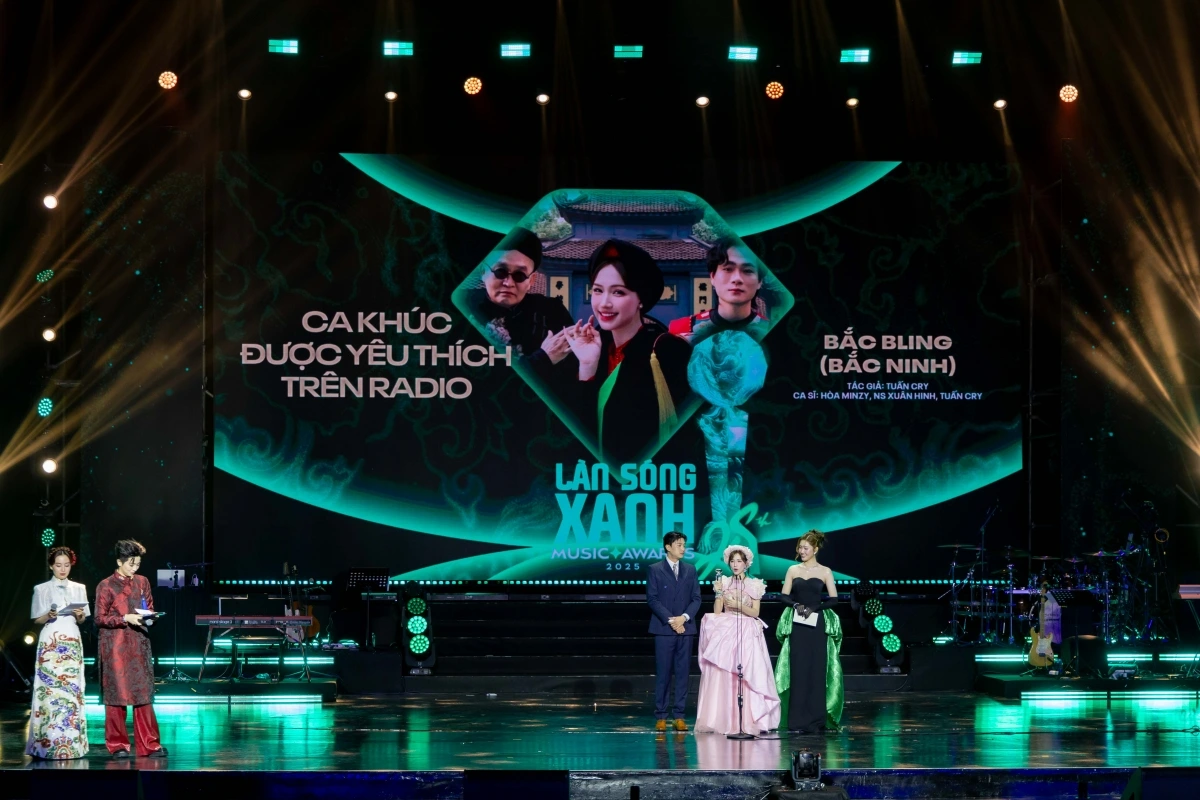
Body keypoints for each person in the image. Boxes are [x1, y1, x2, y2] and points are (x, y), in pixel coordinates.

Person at [563, 239, 694, 465]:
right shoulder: (587, 350)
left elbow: (689, 435)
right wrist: (587, 367)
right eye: (597, 290)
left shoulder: (669, 351)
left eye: (618, 292)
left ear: (640, 299)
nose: (604, 303)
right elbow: (575, 434)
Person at [462, 227, 576, 375]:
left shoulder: (552, 311)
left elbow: (573, 368)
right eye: (500, 271)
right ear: (483, 271)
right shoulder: (464, 306)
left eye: (520, 275)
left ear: (531, 280)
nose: (508, 283)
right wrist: (542, 359)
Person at [695, 546, 780, 735]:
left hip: (746, 630)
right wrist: (719, 593)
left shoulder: (755, 584)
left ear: (746, 563)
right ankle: (726, 719)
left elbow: (755, 612)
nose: (735, 565)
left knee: (747, 673)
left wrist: (738, 605)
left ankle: (749, 719)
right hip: (726, 629)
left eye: (739, 561)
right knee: (725, 673)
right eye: (732, 561)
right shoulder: (723, 582)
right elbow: (718, 611)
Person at [94, 539, 167, 758]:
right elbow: (99, 618)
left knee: (143, 696)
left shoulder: (142, 581)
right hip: (115, 646)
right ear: (119, 561)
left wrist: (151, 617)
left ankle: (150, 744)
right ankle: (117, 745)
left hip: (139, 644)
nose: (135, 568)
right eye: (131, 564)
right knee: (116, 697)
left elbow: (148, 607)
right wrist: (125, 618)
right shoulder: (105, 585)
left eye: (138, 564)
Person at [25, 546, 90, 759]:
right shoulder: (41, 589)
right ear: (51, 566)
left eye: (67, 565)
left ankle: (73, 745)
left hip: (71, 638)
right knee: (49, 690)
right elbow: (36, 619)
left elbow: (83, 619)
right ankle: (45, 745)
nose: (63, 569)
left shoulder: (79, 588)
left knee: (72, 690)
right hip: (50, 641)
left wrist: (79, 615)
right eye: (58, 565)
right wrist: (49, 615)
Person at [780, 530, 838, 734]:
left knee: (816, 670)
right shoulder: (793, 569)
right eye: (800, 547)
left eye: (806, 548)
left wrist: (815, 608)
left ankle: (816, 721)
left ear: (816, 549)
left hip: (816, 624)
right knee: (799, 669)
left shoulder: (825, 571)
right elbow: (784, 596)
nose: (802, 551)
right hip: (798, 623)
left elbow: (834, 599)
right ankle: (797, 721)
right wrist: (796, 605)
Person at [646, 531, 702, 732]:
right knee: (663, 673)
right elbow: (652, 599)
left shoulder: (690, 569)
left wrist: (683, 618)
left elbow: (696, 598)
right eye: (679, 545)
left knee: (683, 673)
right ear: (668, 547)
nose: (683, 548)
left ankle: (679, 715)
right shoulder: (655, 569)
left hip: (685, 628)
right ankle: (661, 715)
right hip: (664, 629)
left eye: (684, 545)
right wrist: (672, 620)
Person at [669, 237, 769, 344]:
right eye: (728, 269)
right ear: (712, 277)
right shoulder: (681, 330)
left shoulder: (772, 331)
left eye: (747, 270)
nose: (737, 279)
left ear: (760, 281)